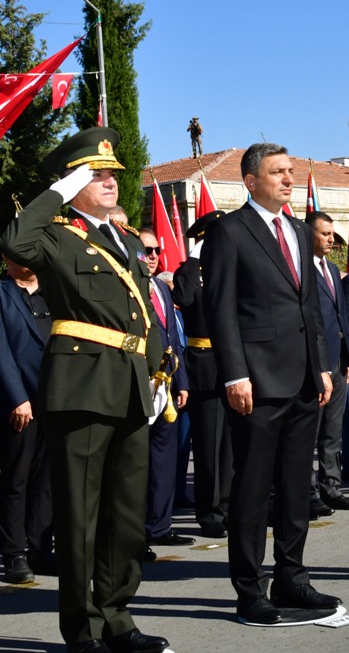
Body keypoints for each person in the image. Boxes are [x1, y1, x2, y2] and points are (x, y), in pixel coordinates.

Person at [1, 127, 168, 653]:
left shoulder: (123, 238)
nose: (109, 182)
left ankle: (118, 615)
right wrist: (58, 190)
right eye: (95, 175)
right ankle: (84, 627)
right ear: (73, 182)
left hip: (131, 385)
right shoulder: (56, 234)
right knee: (80, 516)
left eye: (112, 175)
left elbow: (144, 310)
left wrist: (160, 365)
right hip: (82, 386)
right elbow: (14, 241)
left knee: (124, 514)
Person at [202, 142, 337, 623]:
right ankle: (249, 589)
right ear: (250, 180)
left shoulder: (300, 232)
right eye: (277, 172)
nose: (288, 179)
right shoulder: (229, 232)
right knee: (253, 489)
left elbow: (311, 308)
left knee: (298, 485)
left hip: (302, 379)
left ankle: (292, 579)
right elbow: (220, 310)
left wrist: (321, 365)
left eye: (291, 171)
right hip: (255, 382)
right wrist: (235, 372)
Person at [0, 254, 54, 584]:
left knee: (47, 482)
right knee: (16, 480)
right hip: (18, 405)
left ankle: (40, 549)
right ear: (6, 258)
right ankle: (14, 554)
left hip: (54, 400)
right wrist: (17, 398)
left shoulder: (54, 291)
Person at [171, 211, 233, 538]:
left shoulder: (229, 268)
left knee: (230, 447)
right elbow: (181, 298)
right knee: (209, 445)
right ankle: (209, 514)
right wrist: (194, 261)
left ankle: (227, 506)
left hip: (233, 365)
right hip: (205, 363)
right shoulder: (190, 271)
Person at [308, 211, 349, 511]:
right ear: (309, 235)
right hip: (315, 364)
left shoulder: (331, 270)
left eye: (332, 233)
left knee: (333, 431)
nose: (331, 239)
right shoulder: (302, 270)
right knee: (310, 432)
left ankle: (331, 487)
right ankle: (307, 494)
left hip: (339, 363)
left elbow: (342, 316)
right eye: (324, 233)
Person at [139, 229, 192, 549]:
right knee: (139, 463)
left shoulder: (161, 286)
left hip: (167, 385)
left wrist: (182, 381)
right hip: (139, 382)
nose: (154, 255)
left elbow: (174, 340)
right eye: (147, 250)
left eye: (157, 249)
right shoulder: (126, 288)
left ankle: (160, 526)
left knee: (164, 460)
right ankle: (137, 529)